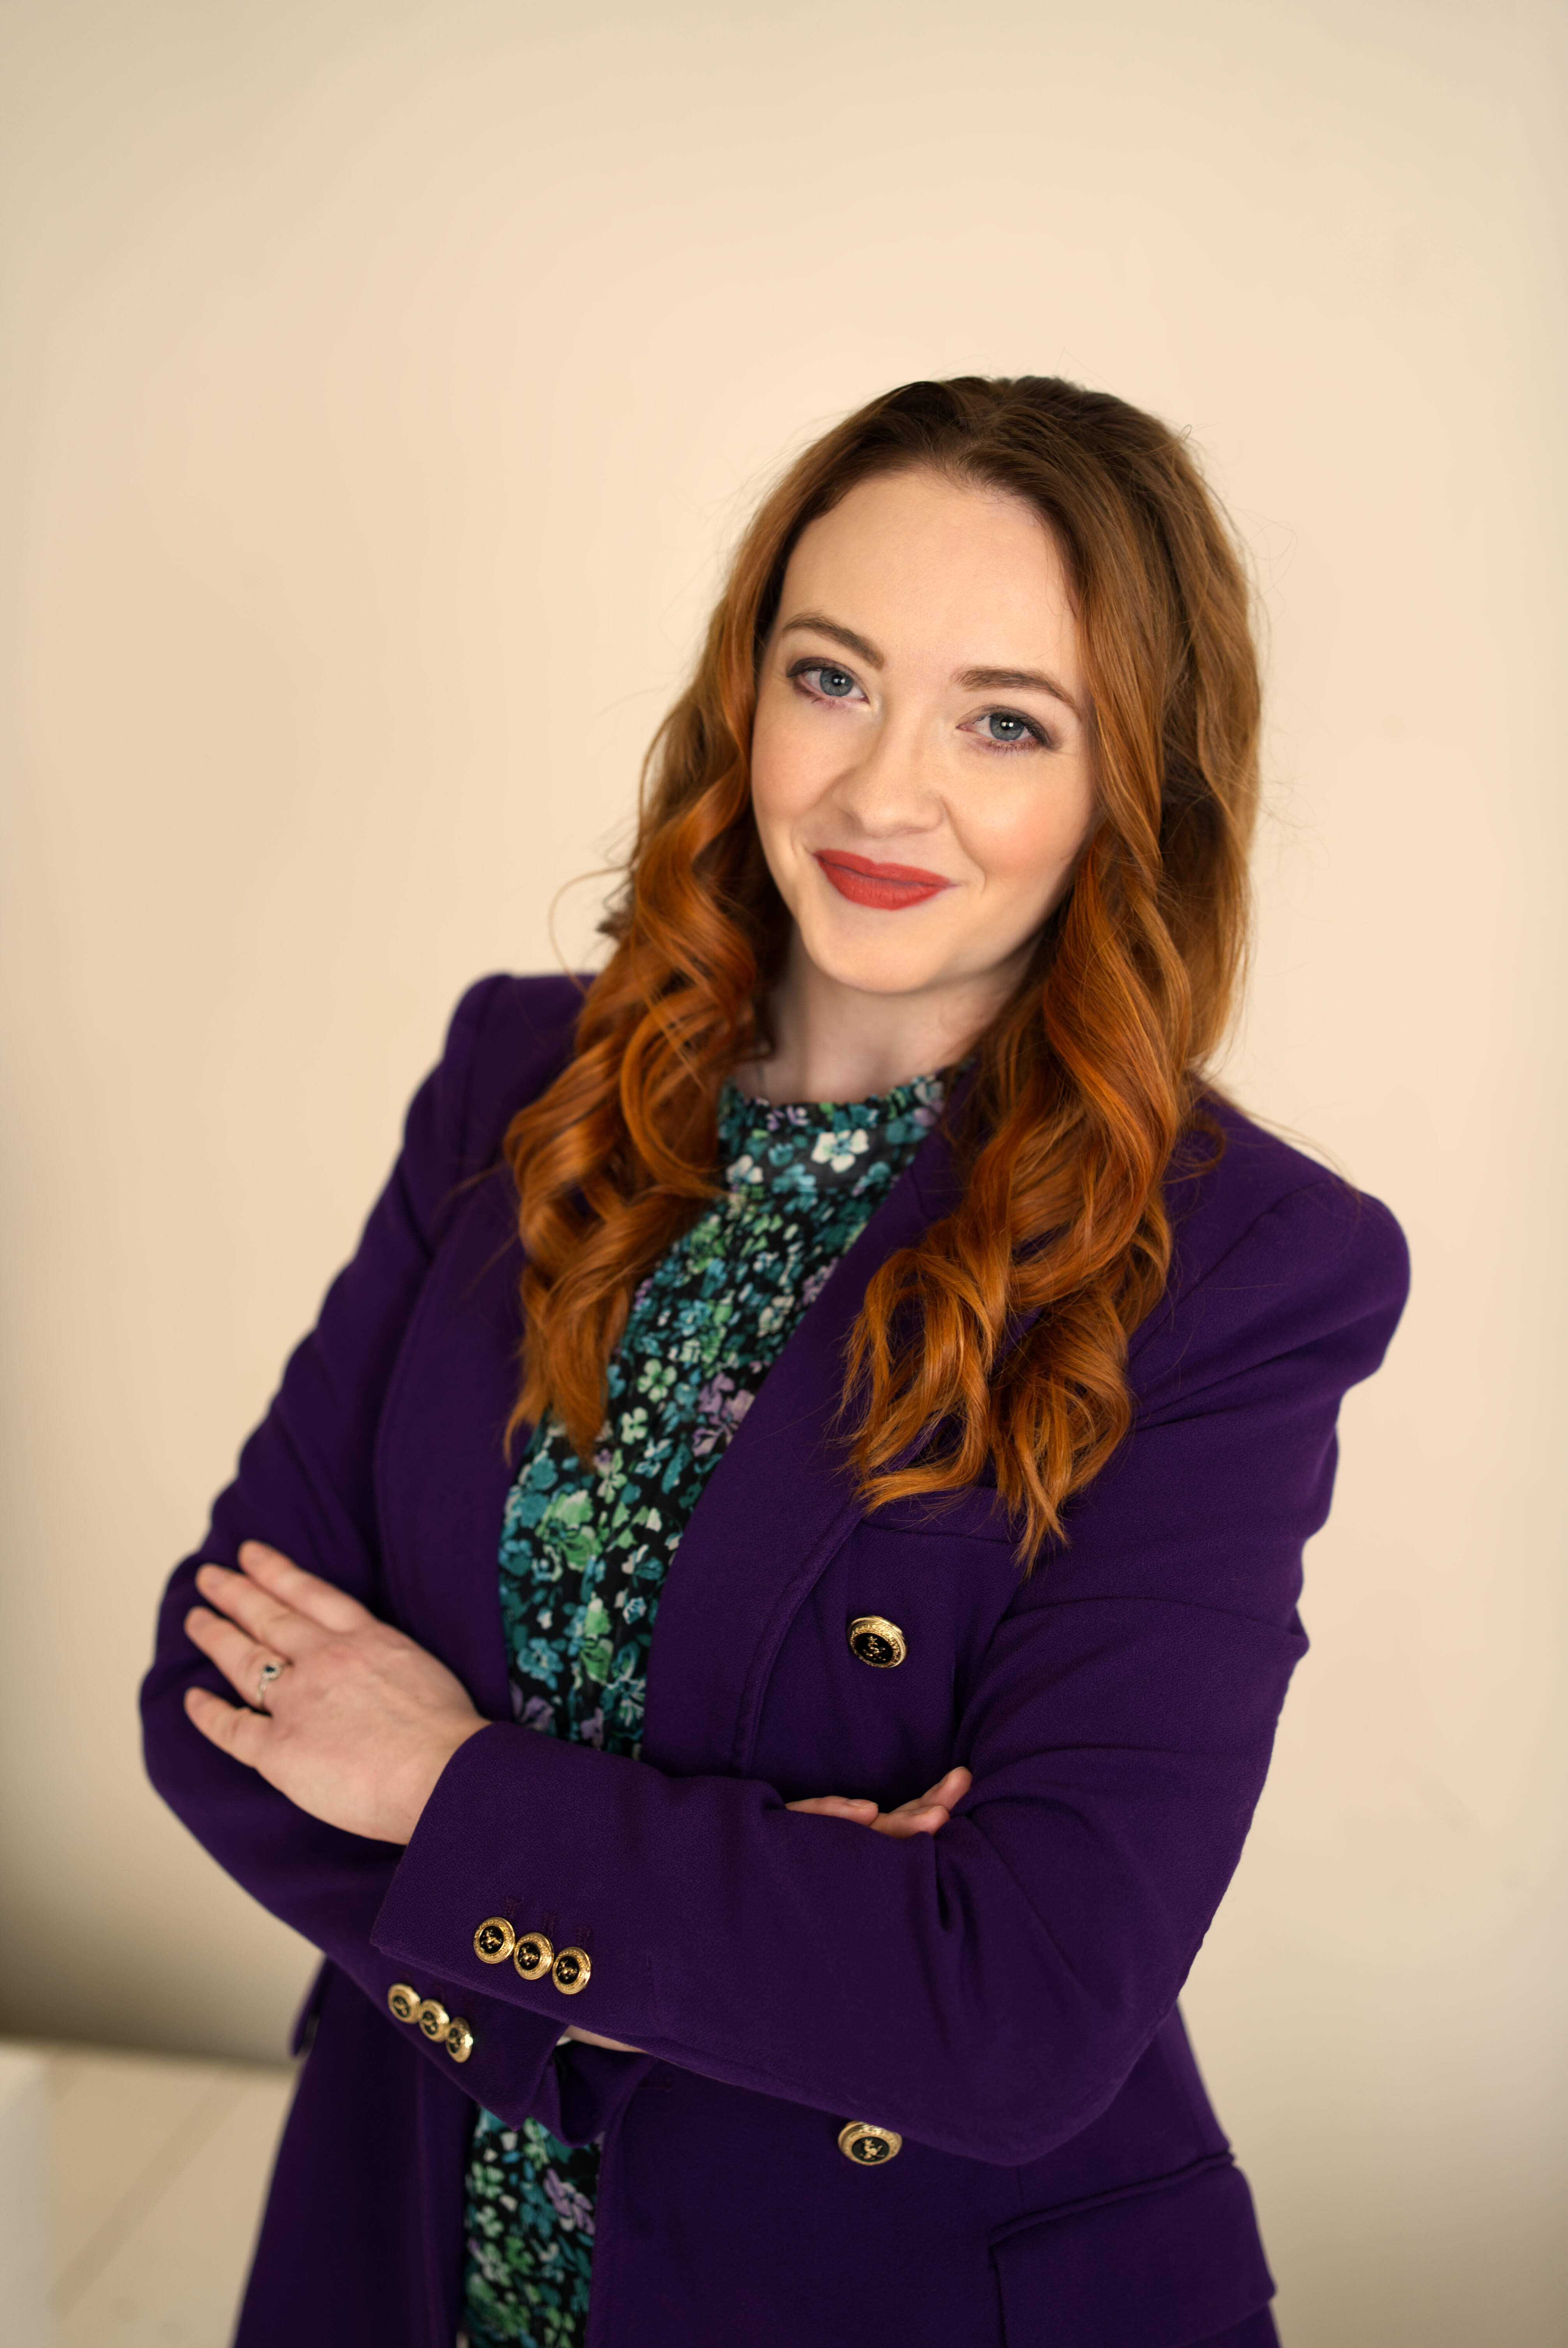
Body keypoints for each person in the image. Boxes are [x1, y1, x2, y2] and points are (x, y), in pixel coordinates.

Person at [141, 374, 1408, 2348]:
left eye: (1006, 721)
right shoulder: (521, 1078)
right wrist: (757, 1943)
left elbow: (1015, 2007)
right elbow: (216, 1686)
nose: (884, 793)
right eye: (833, 679)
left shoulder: (1237, 1262)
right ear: (746, 694)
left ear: (1131, 785)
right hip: (411, 2238)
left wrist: (443, 1787)